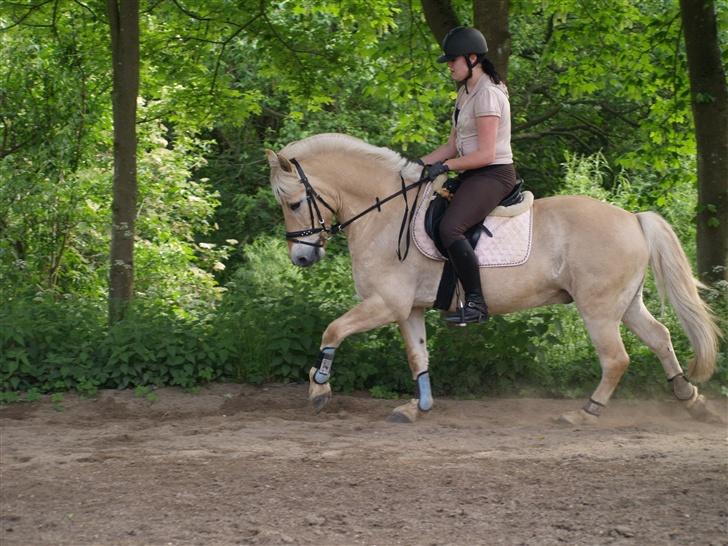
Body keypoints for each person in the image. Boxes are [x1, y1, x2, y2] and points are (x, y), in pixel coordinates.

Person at [420, 26, 517, 324]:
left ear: (472, 58)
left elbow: (486, 155)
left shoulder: (487, 95)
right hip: (472, 173)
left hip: (493, 175)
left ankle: (476, 303)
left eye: (453, 60)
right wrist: (413, 165)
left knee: (451, 228)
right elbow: (452, 146)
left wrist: (447, 167)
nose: (449, 65)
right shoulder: (466, 93)